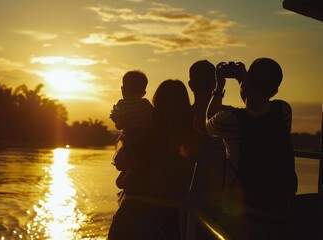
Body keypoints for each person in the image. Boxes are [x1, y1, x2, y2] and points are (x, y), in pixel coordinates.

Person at [206, 58, 297, 239]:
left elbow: (208, 121)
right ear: (275, 90)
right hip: (279, 208)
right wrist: (244, 82)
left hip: (242, 212)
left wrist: (219, 87)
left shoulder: (230, 121)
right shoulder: (284, 111)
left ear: (248, 84)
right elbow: (258, 109)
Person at [108, 79, 200, 240]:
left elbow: (121, 167)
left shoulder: (143, 133)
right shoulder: (193, 139)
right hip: (168, 220)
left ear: (156, 102)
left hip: (132, 215)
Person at [187, 60, 235, 239]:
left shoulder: (181, 116)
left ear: (190, 85)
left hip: (189, 193)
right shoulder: (230, 117)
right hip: (223, 198)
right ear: (215, 83)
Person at [110, 70, 153, 189]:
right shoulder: (146, 104)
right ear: (144, 92)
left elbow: (119, 125)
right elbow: (152, 118)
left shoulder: (121, 104)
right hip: (144, 141)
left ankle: (128, 172)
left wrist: (115, 118)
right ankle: (131, 172)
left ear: (123, 90)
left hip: (128, 140)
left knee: (126, 157)